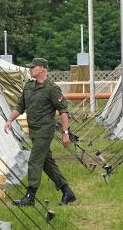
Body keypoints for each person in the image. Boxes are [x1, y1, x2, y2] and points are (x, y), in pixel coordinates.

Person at [4, 57, 77, 206]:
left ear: (42, 68)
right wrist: (10, 120)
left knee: (34, 161)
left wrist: (65, 133)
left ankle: (30, 196)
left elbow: (63, 111)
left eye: (33, 67)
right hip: (34, 132)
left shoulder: (52, 88)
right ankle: (67, 191)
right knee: (46, 163)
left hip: (45, 131)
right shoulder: (29, 87)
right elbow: (20, 106)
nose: (30, 69)